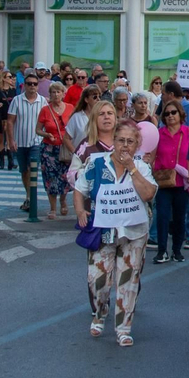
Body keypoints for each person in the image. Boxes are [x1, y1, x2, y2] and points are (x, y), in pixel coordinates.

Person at [73, 119, 156, 347]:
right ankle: (100, 312)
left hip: (133, 232)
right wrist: (80, 210)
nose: (125, 146)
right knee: (97, 280)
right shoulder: (96, 163)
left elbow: (149, 194)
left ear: (137, 144)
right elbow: (80, 190)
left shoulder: (142, 167)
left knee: (128, 280)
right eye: (121, 140)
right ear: (114, 141)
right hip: (103, 231)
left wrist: (132, 169)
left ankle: (123, 328)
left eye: (130, 141)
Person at [152, 100, 189, 264]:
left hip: (182, 182)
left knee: (179, 217)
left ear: (180, 114)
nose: (170, 116)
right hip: (163, 181)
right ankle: (162, 251)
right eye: (166, 113)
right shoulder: (158, 133)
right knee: (162, 216)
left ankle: (176, 250)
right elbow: (151, 155)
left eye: (173, 112)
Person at [4, 74, 49, 212]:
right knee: (24, 171)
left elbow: (47, 121)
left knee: (32, 168)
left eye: (35, 84)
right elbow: (10, 121)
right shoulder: (17, 101)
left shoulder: (43, 101)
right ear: (24, 85)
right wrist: (11, 140)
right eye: (29, 83)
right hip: (20, 141)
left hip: (36, 141)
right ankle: (29, 195)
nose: (32, 86)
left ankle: (32, 199)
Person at [36, 81, 74, 217]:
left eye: (58, 92)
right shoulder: (45, 110)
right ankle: (52, 208)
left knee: (64, 177)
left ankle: (63, 201)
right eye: (53, 92)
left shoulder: (70, 108)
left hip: (65, 147)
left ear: (63, 94)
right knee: (50, 178)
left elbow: (75, 127)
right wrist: (46, 134)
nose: (56, 94)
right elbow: (38, 130)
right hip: (48, 149)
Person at [66, 85, 102, 152]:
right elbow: (66, 139)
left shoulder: (102, 116)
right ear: (86, 99)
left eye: (99, 96)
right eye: (95, 97)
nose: (98, 99)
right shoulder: (76, 117)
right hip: (80, 158)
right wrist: (76, 153)